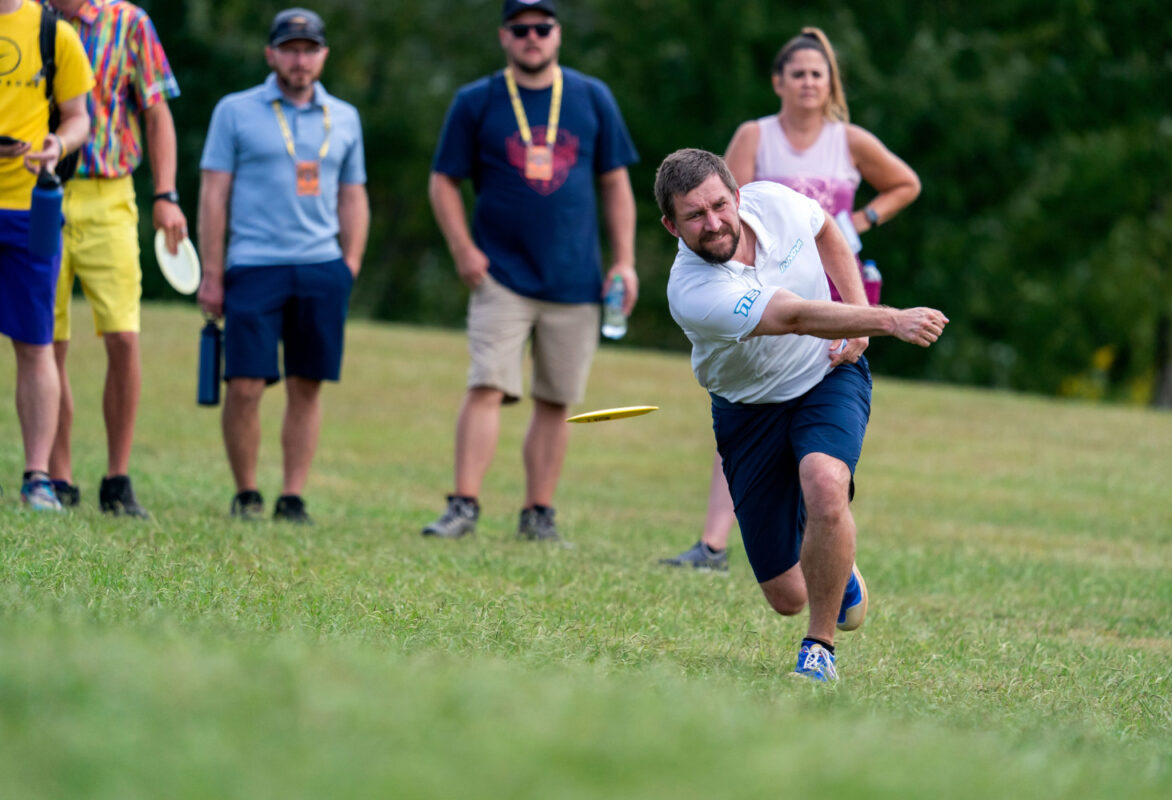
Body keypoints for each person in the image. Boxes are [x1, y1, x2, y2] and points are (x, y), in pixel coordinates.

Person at [655, 148, 946, 680]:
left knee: (825, 482)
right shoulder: (692, 289)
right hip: (748, 413)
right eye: (695, 216)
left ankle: (819, 649)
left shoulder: (777, 202)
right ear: (672, 225)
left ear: (738, 196)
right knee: (787, 595)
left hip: (825, 376)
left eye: (720, 205)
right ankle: (841, 570)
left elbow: (829, 233)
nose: (714, 223)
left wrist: (857, 323)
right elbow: (790, 316)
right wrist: (886, 319)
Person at [661, 27, 921, 571]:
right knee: (753, 390)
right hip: (760, 290)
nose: (807, 83)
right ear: (778, 82)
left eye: (817, 74)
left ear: (831, 84)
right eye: (797, 73)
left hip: (834, 278)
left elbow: (904, 184)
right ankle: (715, 539)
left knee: (822, 433)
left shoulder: (849, 139)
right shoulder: (755, 137)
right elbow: (724, 204)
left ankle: (825, 518)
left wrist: (860, 222)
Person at [422, 0, 638, 545]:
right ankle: (462, 506)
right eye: (521, 30)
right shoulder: (477, 100)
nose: (532, 37)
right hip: (500, 274)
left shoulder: (591, 97)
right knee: (487, 385)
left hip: (576, 279)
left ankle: (538, 515)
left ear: (558, 34)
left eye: (542, 28)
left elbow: (615, 183)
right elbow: (442, 180)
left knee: (557, 399)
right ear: (504, 37)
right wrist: (463, 250)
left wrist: (624, 261)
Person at [197, 7, 369, 523]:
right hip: (254, 263)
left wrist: (350, 262)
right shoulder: (235, 110)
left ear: (323, 56)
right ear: (271, 54)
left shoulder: (345, 117)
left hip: (321, 265)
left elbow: (354, 194)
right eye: (290, 49)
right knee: (245, 383)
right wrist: (212, 270)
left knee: (306, 382)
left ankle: (292, 496)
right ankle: (246, 492)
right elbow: (213, 193)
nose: (300, 59)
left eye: (309, 49)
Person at [44, 0, 187, 517]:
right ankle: (56, 475)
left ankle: (117, 478)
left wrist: (166, 194)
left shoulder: (129, 23)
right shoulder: (26, 19)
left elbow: (156, 113)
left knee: (124, 336)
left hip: (110, 192)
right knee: (48, 341)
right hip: (41, 189)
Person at [0, 0, 93, 510]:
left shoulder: (55, 34)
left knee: (35, 343)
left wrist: (58, 144)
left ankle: (38, 477)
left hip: (29, 206)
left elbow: (80, 118)